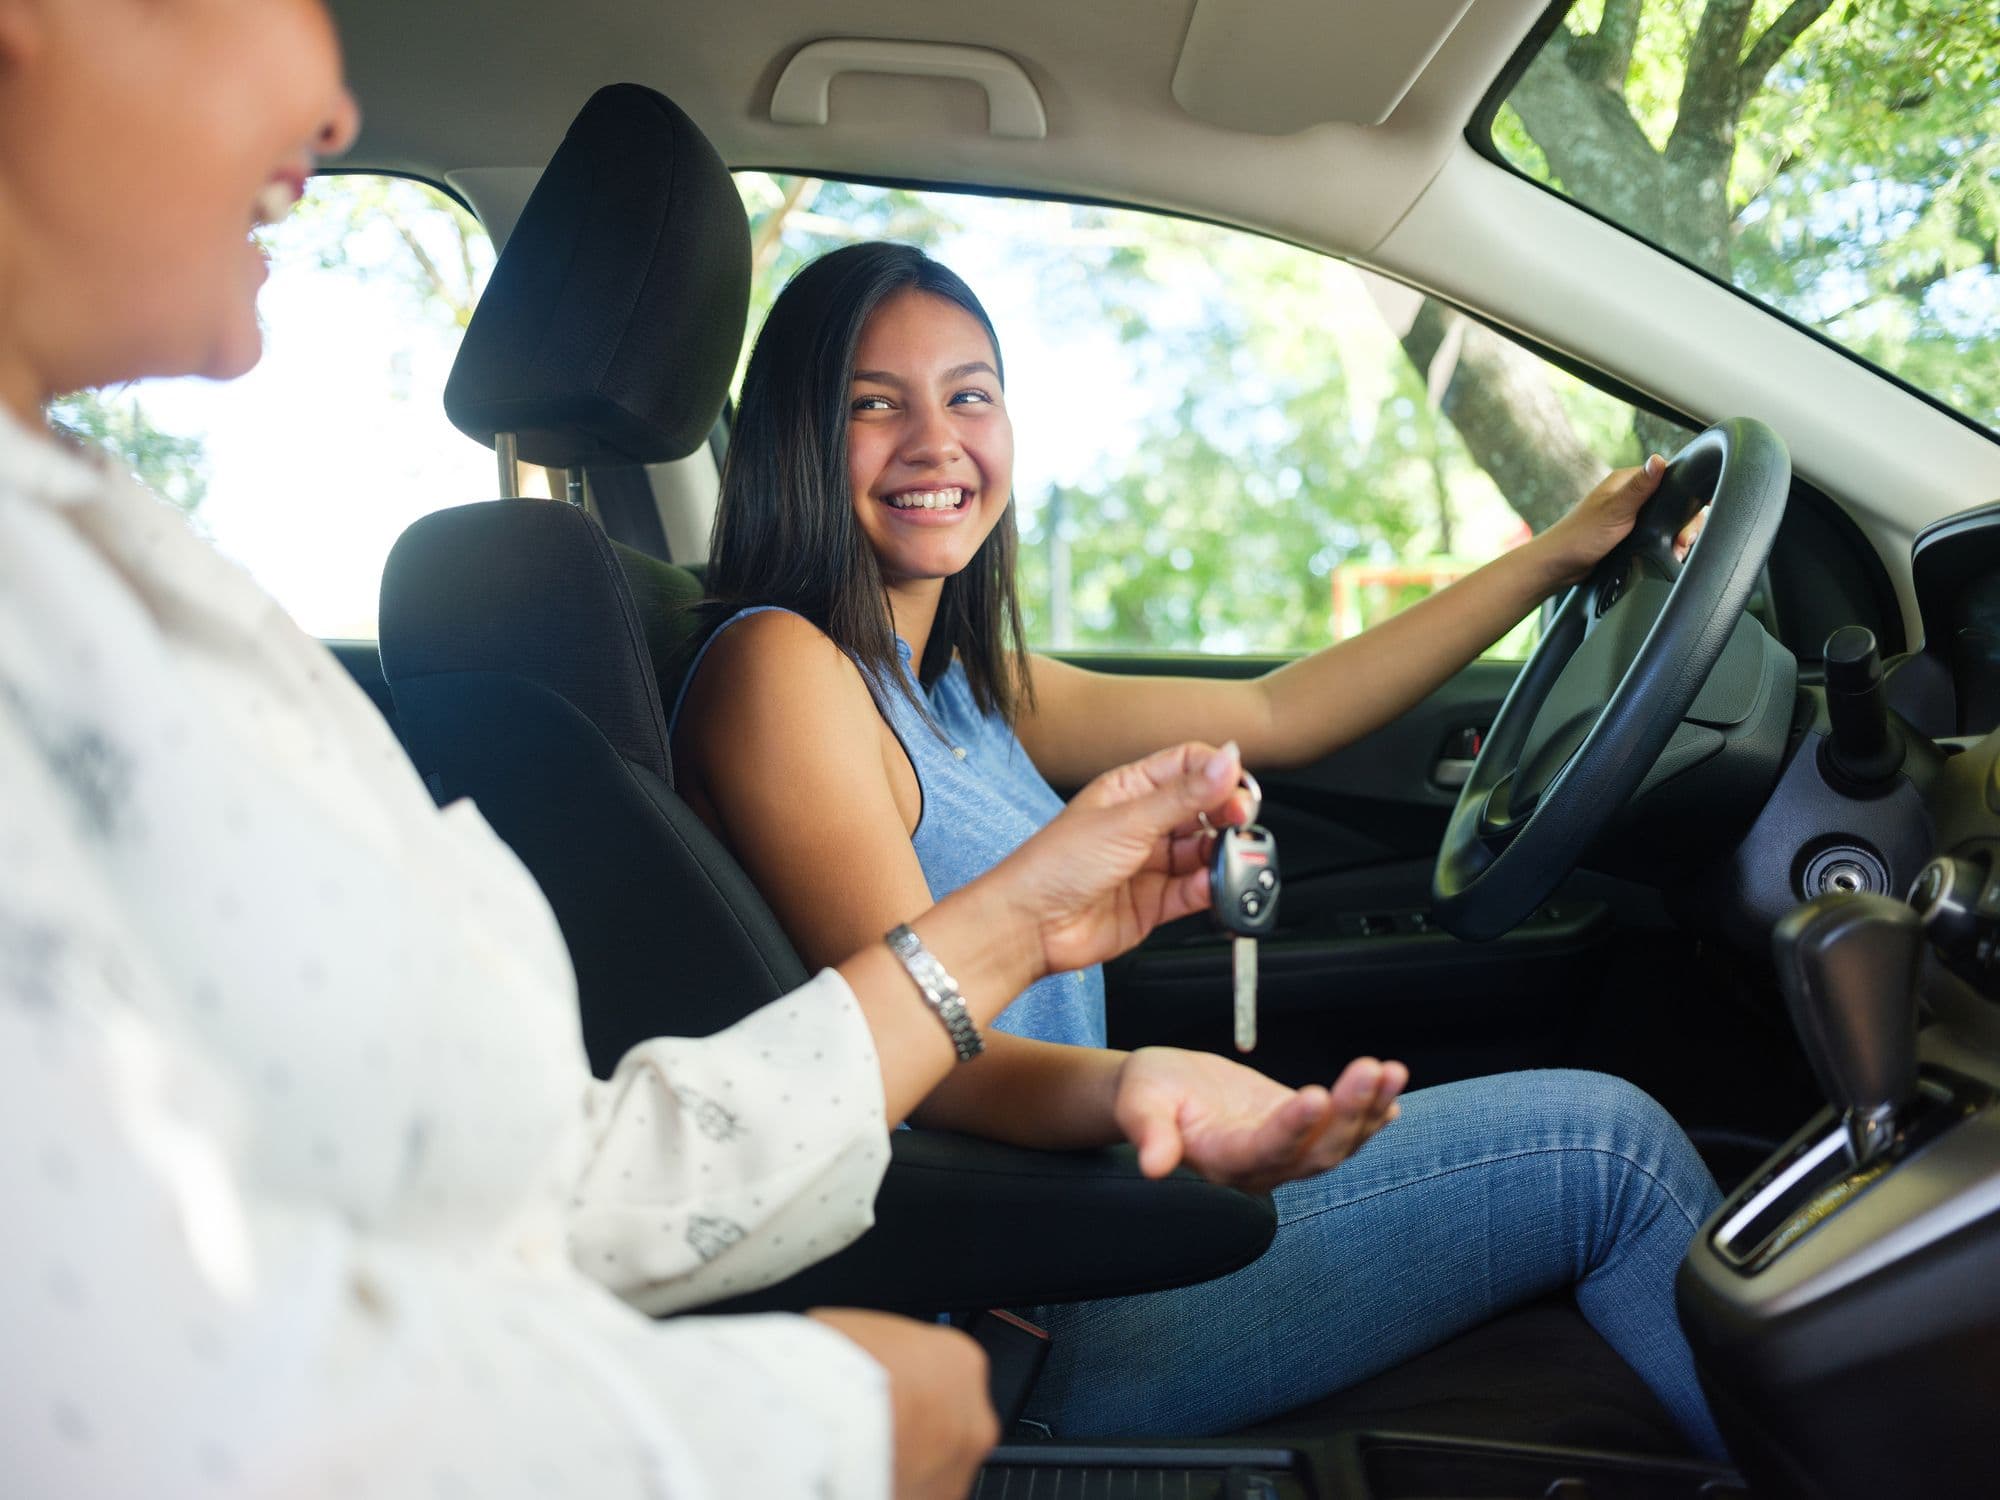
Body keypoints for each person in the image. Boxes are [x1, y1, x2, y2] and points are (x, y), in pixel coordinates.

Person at [0, 5, 1409, 1498]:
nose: (329, 99)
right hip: (960, 1316)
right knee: (1619, 1151)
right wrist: (794, 1429)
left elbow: (554, 1175)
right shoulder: (62, 626)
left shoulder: (120, 562)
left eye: (972, 395)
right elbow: (125, 1378)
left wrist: (1034, 924)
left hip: (821, 1302)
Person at [671, 240, 1731, 1457]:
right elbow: (925, 1064)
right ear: (796, 440)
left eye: (969, 394)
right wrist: (1142, 1084)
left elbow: (1278, 716)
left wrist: (1554, 554)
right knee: (1611, 1154)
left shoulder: (958, 682)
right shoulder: (782, 669)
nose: (935, 441)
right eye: (873, 404)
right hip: (1021, 1310)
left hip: (1086, 1231)